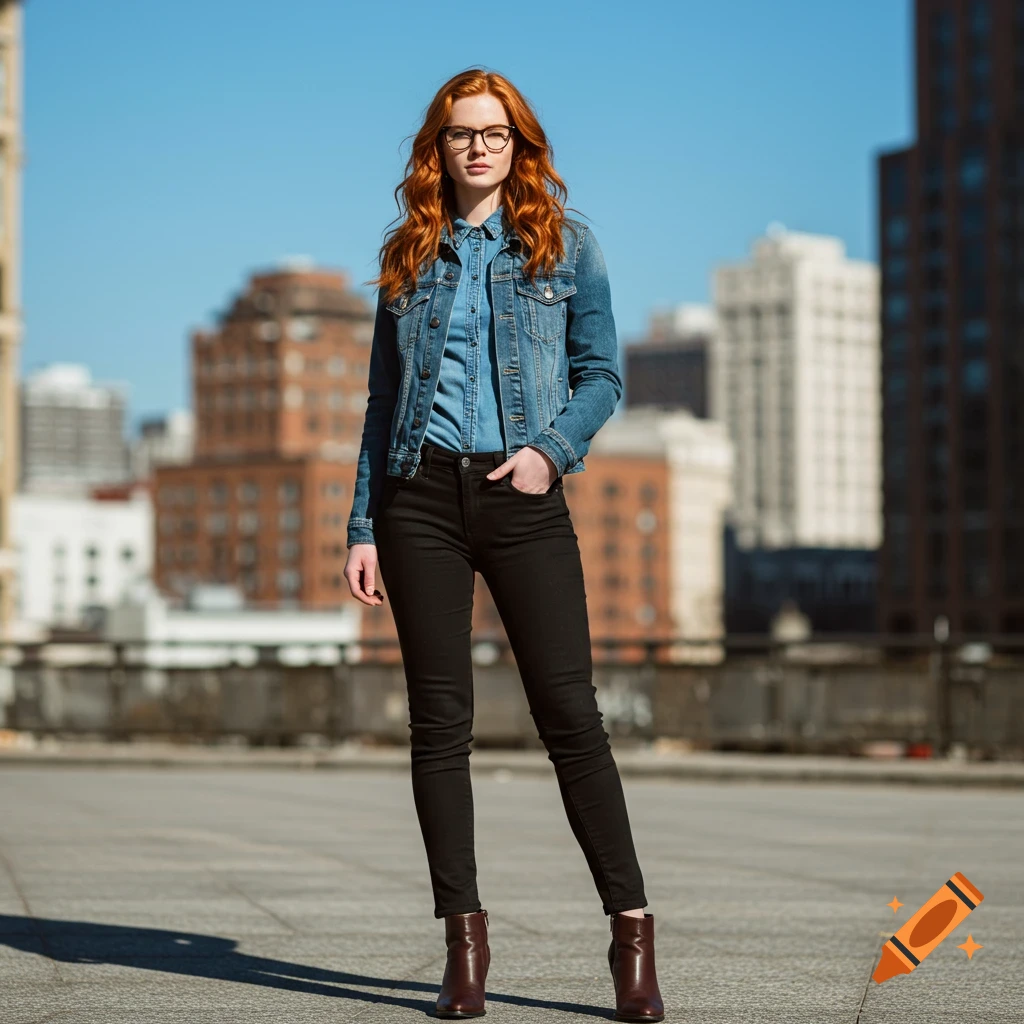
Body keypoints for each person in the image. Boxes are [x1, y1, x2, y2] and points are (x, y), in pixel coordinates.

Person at [344, 67, 664, 1023]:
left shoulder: (565, 246)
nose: (477, 147)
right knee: (440, 727)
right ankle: (464, 948)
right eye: (459, 134)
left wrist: (548, 454)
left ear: (519, 144)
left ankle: (633, 934)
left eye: (494, 132)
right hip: (418, 501)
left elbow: (603, 375)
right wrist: (363, 522)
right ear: (436, 149)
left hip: (520, 492)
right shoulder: (410, 255)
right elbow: (377, 403)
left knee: (572, 715)